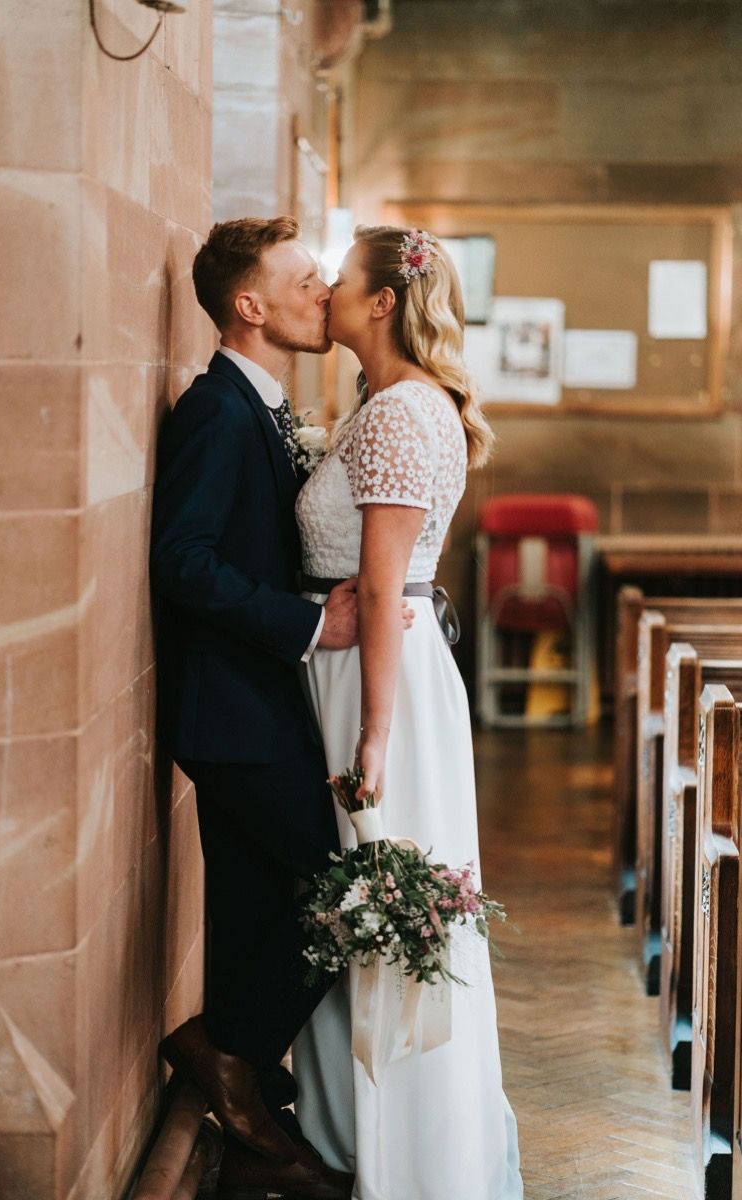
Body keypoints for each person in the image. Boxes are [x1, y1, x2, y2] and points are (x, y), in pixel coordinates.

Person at [149, 216, 412, 1200]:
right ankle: (224, 1053)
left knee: (263, 905)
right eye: (303, 281)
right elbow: (181, 562)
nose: (321, 296)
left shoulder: (260, 409)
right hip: (236, 715)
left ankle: (253, 1085)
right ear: (248, 306)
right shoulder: (219, 413)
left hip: (258, 711)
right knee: (339, 900)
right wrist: (308, 627)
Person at [291, 226, 524, 1199]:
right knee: (372, 904)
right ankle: (356, 1131)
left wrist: (373, 733)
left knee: (384, 901)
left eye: (339, 279)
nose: (327, 292)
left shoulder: (399, 416)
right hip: (380, 664)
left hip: (376, 677)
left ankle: (402, 1156)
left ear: (382, 301)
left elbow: (383, 589)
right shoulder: (394, 405)